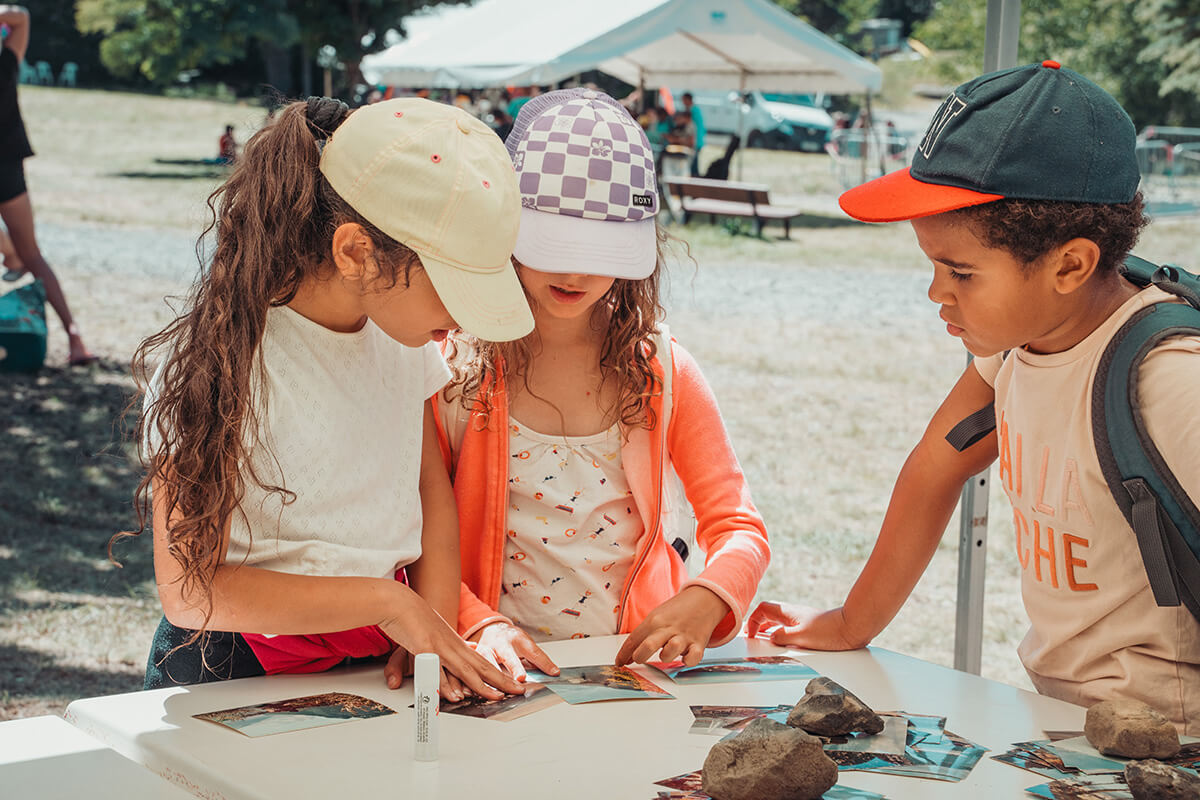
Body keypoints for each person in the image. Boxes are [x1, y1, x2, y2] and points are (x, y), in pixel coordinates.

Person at [747, 61, 1200, 733]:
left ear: (1070, 265)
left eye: (960, 271)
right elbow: (936, 467)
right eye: (932, 265)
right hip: (1063, 720)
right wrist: (850, 622)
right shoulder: (1015, 343)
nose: (937, 293)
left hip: (1170, 740)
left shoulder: (1169, 383)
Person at [132, 95, 535, 703]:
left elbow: (428, 490)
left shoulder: (407, 342)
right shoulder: (217, 361)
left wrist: (431, 621)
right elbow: (190, 591)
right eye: (453, 286)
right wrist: (390, 602)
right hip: (232, 670)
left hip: (376, 663)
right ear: (355, 252)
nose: (464, 317)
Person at [436, 88, 771, 680]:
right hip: (496, 673)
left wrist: (710, 596)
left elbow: (738, 525)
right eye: (555, 245)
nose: (575, 271)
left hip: (632, 673)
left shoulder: (662, 371)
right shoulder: (452, 369)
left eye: (598, 250)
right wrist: (474, 622)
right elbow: (412, 538)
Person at [0, 6, 96, 364]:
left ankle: (8, 250)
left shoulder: (6, 62)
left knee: (30, 255)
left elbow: (20, 15)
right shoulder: (7, 61)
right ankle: (76, 340)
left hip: (7, 170)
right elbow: (19, 15)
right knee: (33, 256)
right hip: (9, 168)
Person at [680, 92, 705, 177]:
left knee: (693, 166)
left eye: (683, 100)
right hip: (696, 140)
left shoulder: (693, 110)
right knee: (693, 165)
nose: (682, 102)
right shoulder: (694, 110)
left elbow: (693, 129)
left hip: (695, 141)